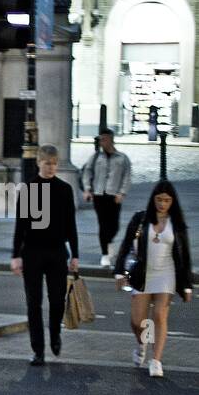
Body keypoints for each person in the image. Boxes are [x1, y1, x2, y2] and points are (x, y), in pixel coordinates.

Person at [113, 180, 194, 378]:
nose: (162, 204)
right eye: (159, 199)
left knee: (159, 316)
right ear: (153, 199)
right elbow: (125, 246)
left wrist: (187, 285)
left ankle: (156, 360)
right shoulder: (140, 219)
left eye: (166, 200)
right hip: (142, 274)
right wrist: (119, 273)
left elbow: (185, 256)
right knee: (137, 321)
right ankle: (142, 344)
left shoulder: (177, 224)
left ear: (172, 201)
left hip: (166, 274)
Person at [11, 145, 79, 366]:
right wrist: (16, 255)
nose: (51, 167)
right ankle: (38, 350)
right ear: (39, 163)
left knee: (57, 300)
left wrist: (75, 254)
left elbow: (71, 225)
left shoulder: (64, 190)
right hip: (32, 252)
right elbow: (20, 226)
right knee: (34, 303)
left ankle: (55, 335)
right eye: (47, 163)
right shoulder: (29, 189)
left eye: (54, 163)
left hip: (58, 252)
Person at [80, 129, 132, 267]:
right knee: (103, 225)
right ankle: (105, 254)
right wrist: (87, 189)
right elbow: (87, 172)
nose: (101, 142)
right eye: (100, 139)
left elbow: (127, 177)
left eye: (104, 139)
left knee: (114, 225)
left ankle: (109, 242)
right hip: (98, 195)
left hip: (114, 196)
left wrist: (122, 193)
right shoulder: (96, 157)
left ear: (111, 139)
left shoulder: (122, 158)